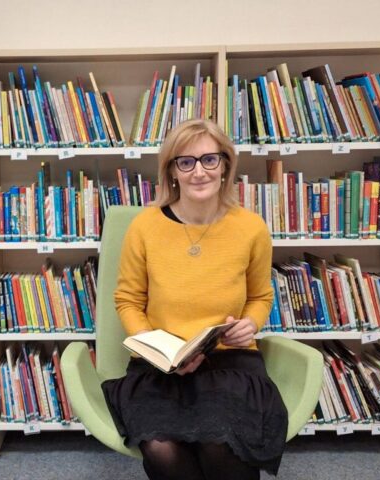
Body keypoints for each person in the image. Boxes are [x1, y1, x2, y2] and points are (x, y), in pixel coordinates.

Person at [101, 119, 288, 480]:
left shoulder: (251, 227)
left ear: (225, 165)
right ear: (172, 171)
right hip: (161, 367)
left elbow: (260, 296)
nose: (199, 171)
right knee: (161, 448)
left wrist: (250, 323)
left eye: (209, 160)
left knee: (220, 443)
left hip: (229, 362)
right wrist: (157, 351)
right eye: (185, 162)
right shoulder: (145, 227)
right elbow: (128, 300)